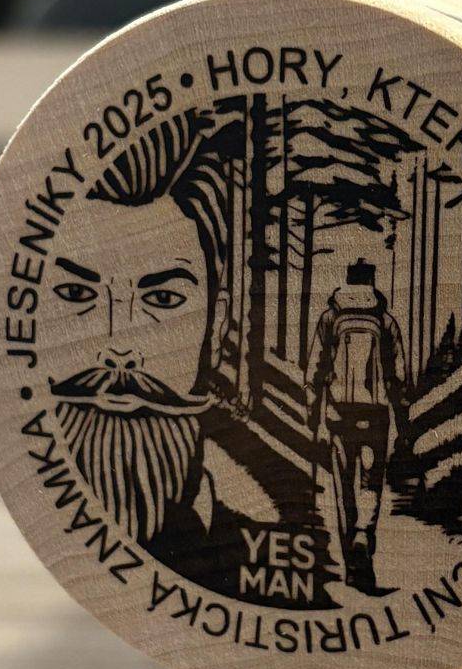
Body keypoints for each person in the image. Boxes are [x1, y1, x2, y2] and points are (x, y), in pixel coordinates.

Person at [45, 117, 316, 596]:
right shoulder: (44, 513)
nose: (119, 349)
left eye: (164, 300)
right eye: (76, 293)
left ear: (218, 325)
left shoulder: (278, 576)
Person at [308, 259, 408, 595]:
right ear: (372, 283)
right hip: (375, 413)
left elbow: (315, 369)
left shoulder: (331, 317)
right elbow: (398, 375)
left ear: (347, 282)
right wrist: (402, 420)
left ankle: (351, 566)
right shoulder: (385, 320)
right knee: (370, 479)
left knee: (343, 489)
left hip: (338, 414)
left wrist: (313, 417)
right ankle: (364, 532)